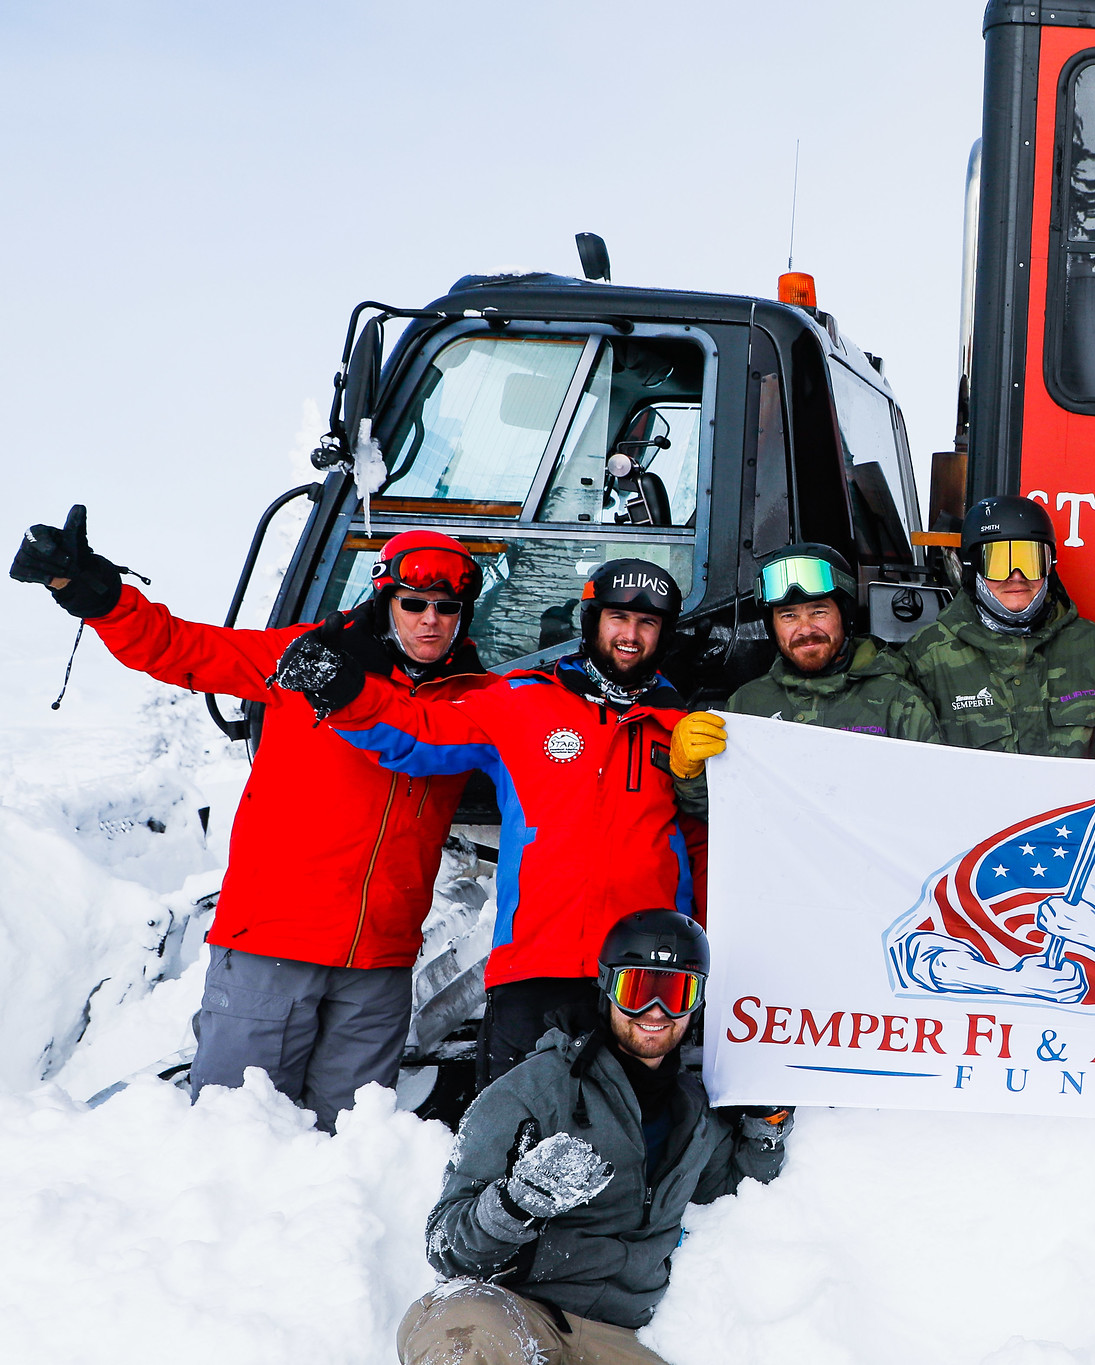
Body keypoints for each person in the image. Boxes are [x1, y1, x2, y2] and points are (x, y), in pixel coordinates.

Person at [11, 509, 488, 1131]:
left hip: (379, 961)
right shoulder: (305, 660)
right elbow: (178, 647)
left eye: (446, 609)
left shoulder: (476, 698)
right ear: (384, 600)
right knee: (235, 1131)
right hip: (274, 941)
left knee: (352, 1144)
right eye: (414, 603)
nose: (431, 620)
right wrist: (94, 595)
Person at [272, 558, 729, 1087]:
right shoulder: (523, 700)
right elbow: (420, 734)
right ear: (592, 620)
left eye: (647, 623)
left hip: (645, 981)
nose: (630, 635)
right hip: (534, 968)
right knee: (512, 1138)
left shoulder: (685, 730)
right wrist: (346, 692)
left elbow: (708, 848)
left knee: (633, 1136)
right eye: (616, 619)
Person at [398, 910, 791, 1365]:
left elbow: (732, 1193)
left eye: (677, 993)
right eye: (638, 991)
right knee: (464, 1342)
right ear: (607, 987)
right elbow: (443, 1246)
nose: (656, 1012)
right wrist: (512, 1206)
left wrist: (768, 1123)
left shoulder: (693, 1114)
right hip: (515, 1315)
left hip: (618, 1340)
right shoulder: (533, 1093)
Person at [673, 542, 937, 817]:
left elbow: (935, 806)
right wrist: (689, 776)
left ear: (845, 615)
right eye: (788, 616)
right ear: (772, 626)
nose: (805, 629)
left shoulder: (899, 702)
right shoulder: (747, 705)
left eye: (818, 611)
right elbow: (719, 812)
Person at [903, 494, 1095, 757]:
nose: (1016, 576)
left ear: (1050, 565)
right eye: (999, 562)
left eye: (1030, 560)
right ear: (973, 566)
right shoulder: (928, 656)